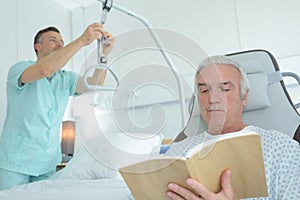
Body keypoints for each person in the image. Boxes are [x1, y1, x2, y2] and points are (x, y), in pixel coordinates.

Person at [165, 55, 300, 199]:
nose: (213, 99)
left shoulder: (280, 148)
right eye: (204, 91)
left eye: (224, 89)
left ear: (245, 96)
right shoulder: (176, 152)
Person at [0, 23, 115, 190]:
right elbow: (44, 69)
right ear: (37, 47)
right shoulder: (20, 70)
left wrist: (103, 55)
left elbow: (93, 84)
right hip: (16, 161)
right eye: (53, 40)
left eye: (62, 41)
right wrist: (82, 40)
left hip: (47, 162)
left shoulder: (65, 78)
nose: (60, 44)